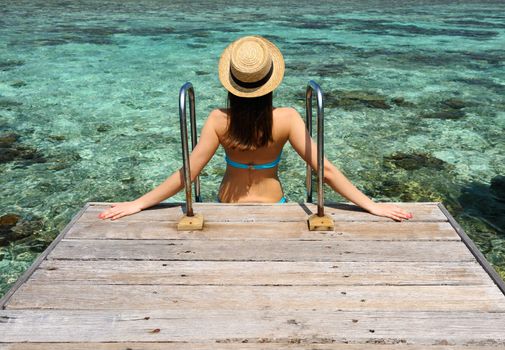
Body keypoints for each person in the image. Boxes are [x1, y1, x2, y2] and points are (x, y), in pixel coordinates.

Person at [99, 35, 413, 222]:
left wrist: (137, 203)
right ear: (270, 81)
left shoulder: (218, 120)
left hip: (228, 208)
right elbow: (325, 172)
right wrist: (372, 205)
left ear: (232, 84)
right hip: (274, 207)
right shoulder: (288, 118)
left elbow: (187, 174)